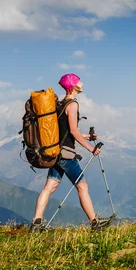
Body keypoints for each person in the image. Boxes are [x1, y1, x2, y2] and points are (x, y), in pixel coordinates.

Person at [30, 73, 112, 232]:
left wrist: (87, 136)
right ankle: (95, 223)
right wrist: (90, 148)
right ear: (73, 85)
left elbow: (65, 131)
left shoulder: (61, 103)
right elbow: (73, 131)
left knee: (49, 188)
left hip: (55, 152)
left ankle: (36, 224)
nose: (82, 83)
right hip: (66, 155)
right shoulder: (72, 104)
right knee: (83, 186)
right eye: (78, 81)